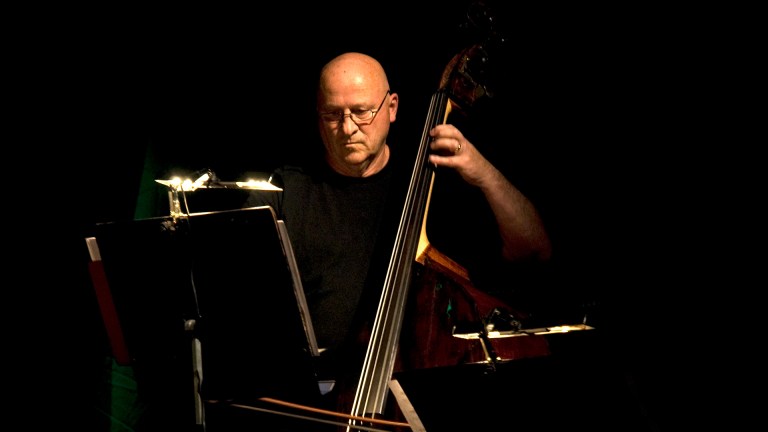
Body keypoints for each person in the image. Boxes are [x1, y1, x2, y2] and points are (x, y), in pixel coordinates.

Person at [233, 51, 552, 428]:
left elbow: (534, 253)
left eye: (362, 111)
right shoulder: (283, 194)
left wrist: (483, 172)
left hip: (417, 399)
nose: (348, 128)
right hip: (311, 403)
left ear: (392, 107)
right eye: (333, 115)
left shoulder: (431, 186)